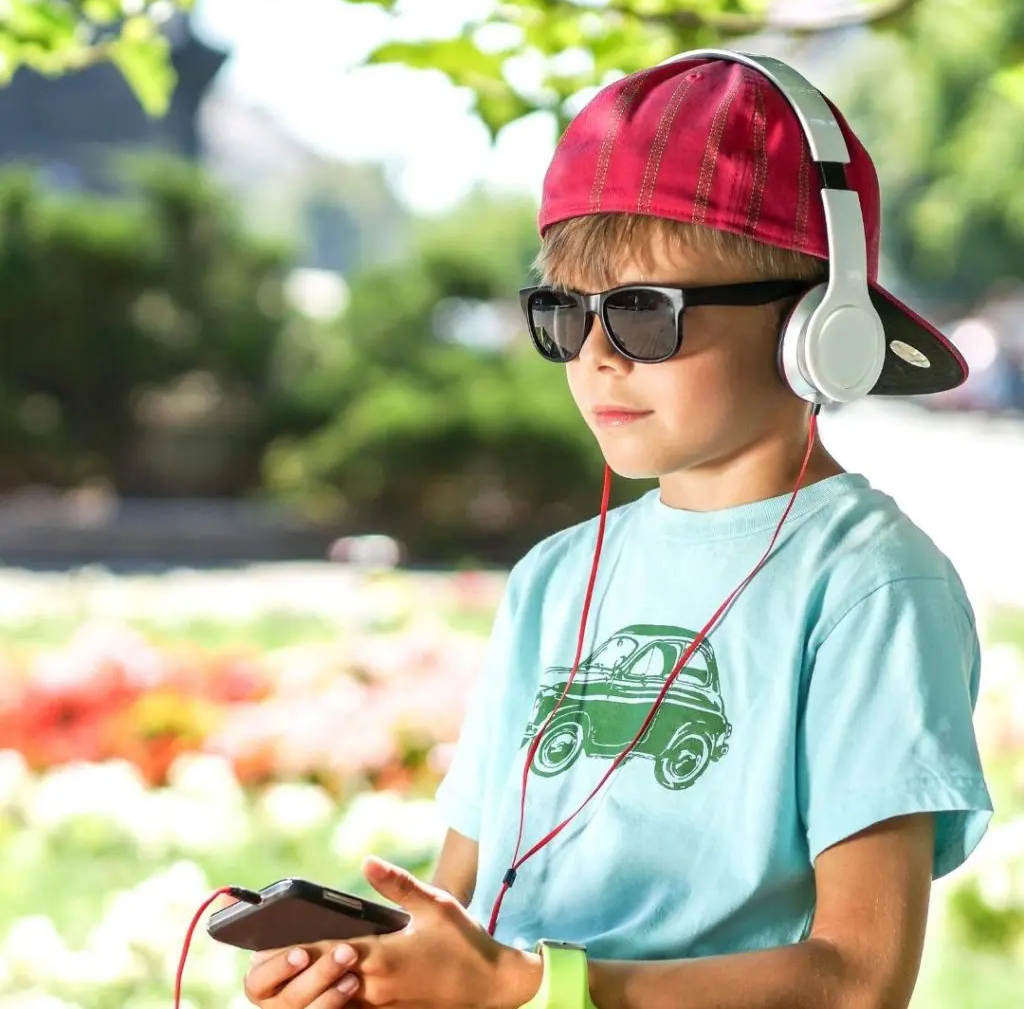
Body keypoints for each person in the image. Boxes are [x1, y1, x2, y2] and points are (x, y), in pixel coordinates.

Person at [241, 50, 993, 1009]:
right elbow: (471, 908)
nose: (595, 357)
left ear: (818, 326)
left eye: (645, 314)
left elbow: (859, 979)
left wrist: (532, 990)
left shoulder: (870, 586)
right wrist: (384, 976)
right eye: (564, 314)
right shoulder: (554, 578)